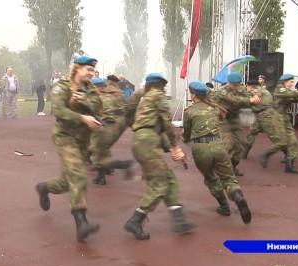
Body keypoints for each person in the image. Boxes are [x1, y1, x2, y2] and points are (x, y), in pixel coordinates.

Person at [35, 56, 103, 242]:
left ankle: (44, 187)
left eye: (92, 70)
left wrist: (97, 121)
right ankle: (81, 223)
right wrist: (82, 118)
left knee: (68, 182)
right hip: (65, 137)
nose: (90, 73)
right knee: (78, 175)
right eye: (87, 69)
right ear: (77, 69)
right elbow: (59, 110)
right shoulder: (64, 86)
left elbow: (97, 112)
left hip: (83, 141)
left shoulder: (92, 91)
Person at [123, 73, 195, 240]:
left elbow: (155, 128)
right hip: (147, 142)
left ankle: (179, 220)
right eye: (163, 86)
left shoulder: (146, 99)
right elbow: (167, 124)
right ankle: (135, 220)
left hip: (144, 141)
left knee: (169, 179)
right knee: (159, 183)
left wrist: (169, 148)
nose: (164, 89)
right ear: (158, 86)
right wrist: (176, 147)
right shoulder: (157, 95)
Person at [182, 81, 252, 224]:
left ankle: (224, 206)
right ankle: (237, 196)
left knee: (210, 177)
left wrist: (185, 139)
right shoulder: (215, 109)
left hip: (201, 148)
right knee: (228, 177)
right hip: (218, 145)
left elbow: (187, 133)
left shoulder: (189, 111)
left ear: (193, 95)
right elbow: (220, 119)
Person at [261, 74, 298, 173]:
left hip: (285, 117)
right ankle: (267, 154)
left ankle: (289, 165)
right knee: (282, 142)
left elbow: (297, 99)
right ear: (284, 81)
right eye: (291, 82)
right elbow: (292, 95)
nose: (292, 84)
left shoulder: (287, 90)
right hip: (278, 117)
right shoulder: (279, 89)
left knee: (293, 141)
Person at [211, 72, 259, 176]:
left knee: (242, 145)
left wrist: (255, 96)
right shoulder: (222, 91)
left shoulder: (240, 88)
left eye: (238, 84)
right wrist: (250, 100)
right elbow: (234, 100)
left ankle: (232, 166)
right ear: (229, 83)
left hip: (235, 120)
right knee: (228, 145)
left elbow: (247, 94)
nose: (237, 87)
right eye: (234, 85)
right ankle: (220, 169)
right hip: (223, 121)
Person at [89, 76, 132, 185]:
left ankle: (123, 165)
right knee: (102, 151)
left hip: (104, 126)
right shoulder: (117, 93)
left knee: (96, 151)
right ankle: (101, 176)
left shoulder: (99, 97)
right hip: (118, 124)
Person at [240, 80, 289, 167]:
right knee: (252, 132)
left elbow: (242, 98)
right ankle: (244, 153)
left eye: (247, 86)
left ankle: (287, 154)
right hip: (264, 114)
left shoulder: (253, 92)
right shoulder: (265, 90)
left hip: (265, 116)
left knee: (274, 136)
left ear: (249, 86)